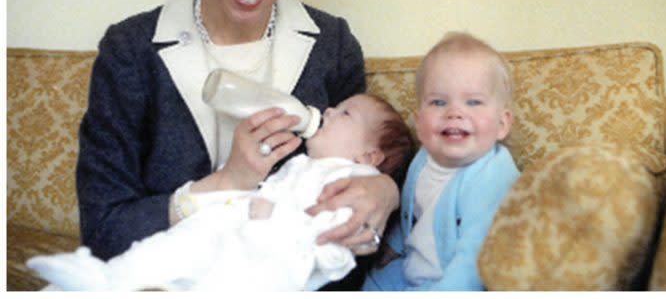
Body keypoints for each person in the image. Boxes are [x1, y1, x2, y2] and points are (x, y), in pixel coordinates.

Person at [75, 0, 400, 289]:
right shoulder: (130, 53)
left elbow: (366, 165)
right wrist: (228, 182)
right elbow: (104, 228)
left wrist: (385, 192)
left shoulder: (332, 45)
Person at [30, 94, 414, 291]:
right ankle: (107, 278)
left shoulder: (350, 177)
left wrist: (385, 187)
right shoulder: (308, 163)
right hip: (229, 222)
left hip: (270, 255)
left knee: (214, 278)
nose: (327, 109)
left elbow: (336, 237)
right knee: (175, 246)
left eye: (344, 113)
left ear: (369, 156)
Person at [362, 32, 522, 291]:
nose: (455, 113)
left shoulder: (493, 178)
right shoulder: (424, 159)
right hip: (411, 270)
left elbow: (475, 263)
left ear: (502, 124)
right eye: (438, 102)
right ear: (419, 121)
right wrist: (389, 250)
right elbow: (411, 217)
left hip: (460, 281)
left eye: (473, 102)